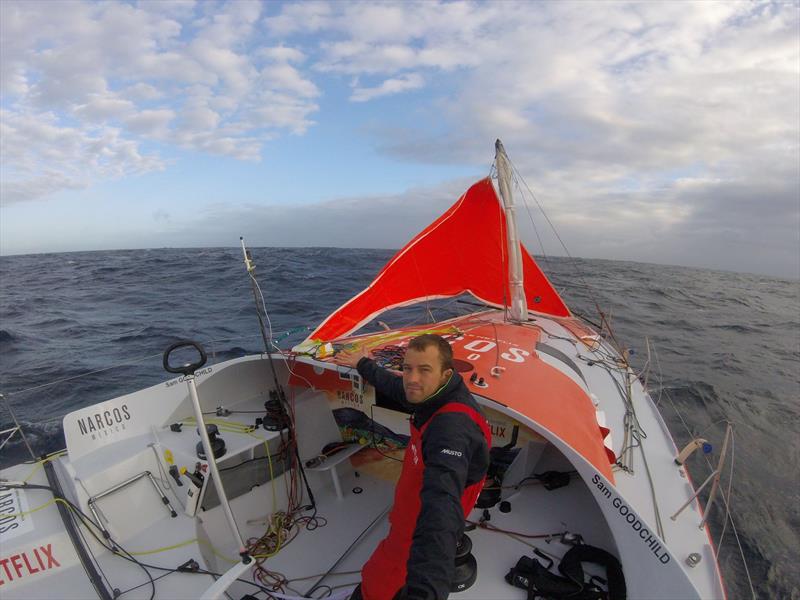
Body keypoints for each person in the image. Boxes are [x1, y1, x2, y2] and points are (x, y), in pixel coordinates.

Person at [333, 334, 491, 600]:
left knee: (379, 581)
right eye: (407, 368)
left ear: (445, 374)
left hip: (421, 520)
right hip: (411, 504)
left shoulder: (450, 428)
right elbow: (395, 386)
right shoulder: (432, 393)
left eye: (424, 369)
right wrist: (362, 362)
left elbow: (441, 509)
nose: (412, 379)